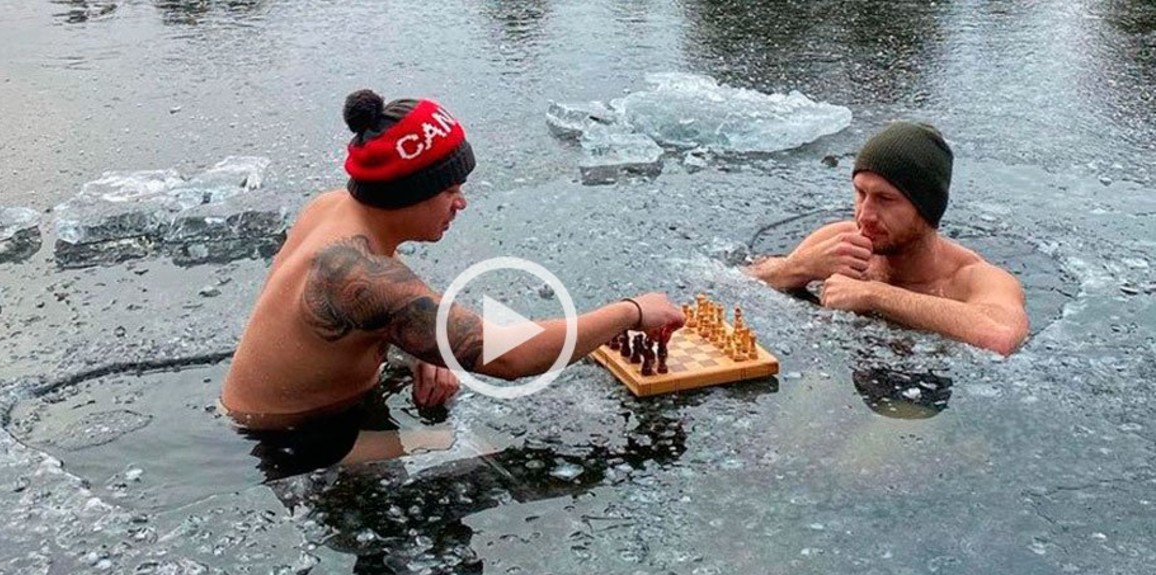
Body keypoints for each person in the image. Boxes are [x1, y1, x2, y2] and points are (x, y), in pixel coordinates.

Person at [220, 89, 685, 431]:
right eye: (449, 190)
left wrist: (418, 345)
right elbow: (510, 356)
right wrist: (632, 311)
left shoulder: (332, 207)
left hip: (273, 407)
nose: (460, 204)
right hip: (289, 439)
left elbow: (380, 315)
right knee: (479, 459)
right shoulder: (359, 274)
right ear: (408, 193)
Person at [745, 121, 1029, 356]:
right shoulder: (837, 241)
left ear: (925, 207)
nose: (865, 214)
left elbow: (1000, 337)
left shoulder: (974, 279)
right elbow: (741, 282)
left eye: (885, 199)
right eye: (860, 193)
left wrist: (874, 295)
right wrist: (802, 266)